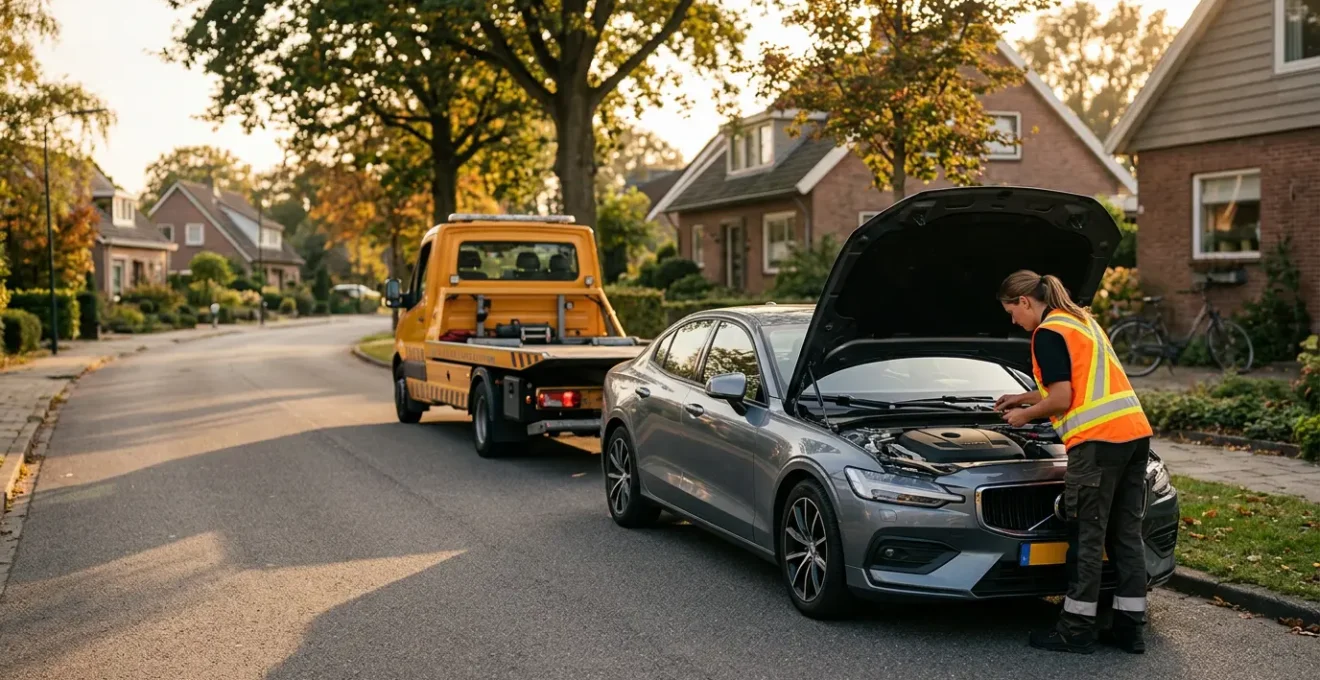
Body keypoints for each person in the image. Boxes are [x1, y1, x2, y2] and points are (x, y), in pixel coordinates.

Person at [994, 270, 1154, 655]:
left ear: (1025, 302)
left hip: (1098, 444)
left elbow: (1063, 398)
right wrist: (1023, 398)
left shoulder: (1047, 333)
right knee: (1126, 536)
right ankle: (1129, 629)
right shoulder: (1082, 322)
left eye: (1011, 312)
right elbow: (1073, 383)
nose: (1012, 321)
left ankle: (1075, 630)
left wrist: (1023, 417)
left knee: (1087, 537)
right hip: (1134, 435)